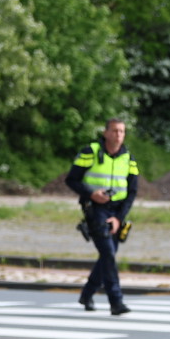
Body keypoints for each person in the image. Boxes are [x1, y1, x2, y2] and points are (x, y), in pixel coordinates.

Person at [64, 118, 137, 315]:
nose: (118, 135)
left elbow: (132, 191)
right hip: (95, 208)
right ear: (105, 133)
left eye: (122, 131)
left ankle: (87, 294)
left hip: (117, 210)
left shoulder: (128, 158)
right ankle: (116, 301)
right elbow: (71, 179)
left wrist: (119, 218)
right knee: (108, 254)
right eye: (114, 131)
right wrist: (91, 194)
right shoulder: (91, 151)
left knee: (108, 255)